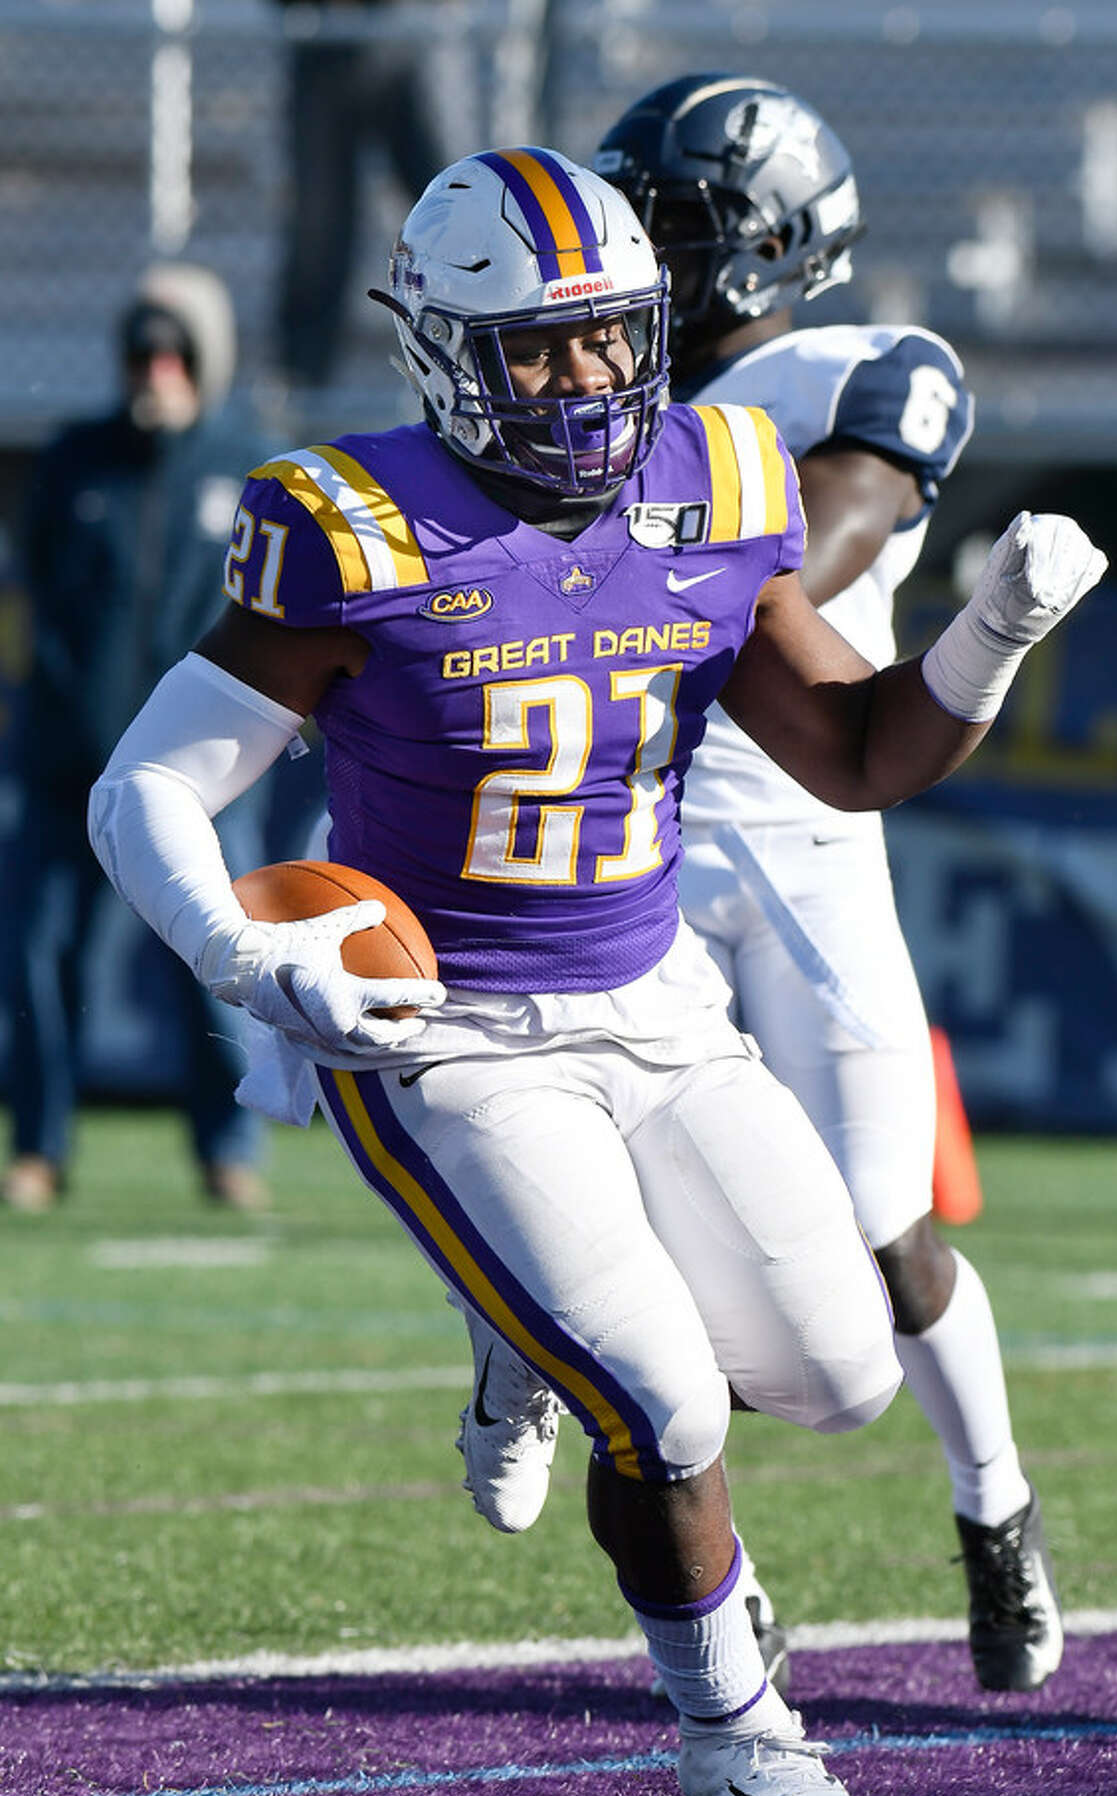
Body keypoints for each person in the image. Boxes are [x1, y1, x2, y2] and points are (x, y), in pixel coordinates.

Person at [87, 147, 1104, 1796]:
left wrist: (989, 632)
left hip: (659, 1009)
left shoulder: (713, 474)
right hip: (452, 1036)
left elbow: (855, 753)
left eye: (612, 337)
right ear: (447, 353)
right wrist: (243, 954)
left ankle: (518, 1326)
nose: (587, 381)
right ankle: (738, 1729)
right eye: (542, 348)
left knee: (844, 1374)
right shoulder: (353, 524)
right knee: (661, 1396)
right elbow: (148, 788)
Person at [461, 77, 1070, 1699]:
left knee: (880, 1237)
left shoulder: (848, 366)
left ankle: (992, 1501)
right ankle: (729, 1595)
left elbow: (836, 529)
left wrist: (665, 564)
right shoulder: (572, 381)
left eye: (665, 215)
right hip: (630, 841)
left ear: (768, 245)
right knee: (640, 1230)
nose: (632, 245)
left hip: (803, 841)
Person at [0, 264, 271, 1213]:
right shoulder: (77, 461)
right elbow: (41, 605)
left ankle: (227, 1150)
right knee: (37, 955)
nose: (156, 370)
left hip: (199, 776)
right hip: (68, 763)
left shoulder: (253, 469)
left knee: (208, 957)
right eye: (141, 352)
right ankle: (37, 1150)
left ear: (207, 359)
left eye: (175, 351)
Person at [273, 0, 472, 389]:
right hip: (323, 44)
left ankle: (480, 357)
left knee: (456, 211)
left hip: (411, 42)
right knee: (320, 230)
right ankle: (302, 386)